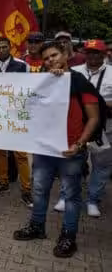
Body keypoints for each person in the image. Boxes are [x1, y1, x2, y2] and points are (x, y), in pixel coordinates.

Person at [13, 41, 99, 258]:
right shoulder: (40, 83)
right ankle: (37, 226)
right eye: (46, 58)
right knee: (39, 190)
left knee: (71, 195)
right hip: (44, 150)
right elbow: (23, 105)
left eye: (54, 55)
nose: (51, 60)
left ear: (65, 55)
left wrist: (79, 144)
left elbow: (94, 118)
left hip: (71, 151)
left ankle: (68, 236)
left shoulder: (79, 82)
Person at [53, 39, 112, 218]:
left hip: (104, 126)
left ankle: (93, 199)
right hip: (75, 125)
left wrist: (99, 104)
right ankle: (66, 195)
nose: (92, 56)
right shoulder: (73, 72)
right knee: (71, 161)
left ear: (104, 54)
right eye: (89, 53)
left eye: (97, 53)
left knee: (101, 165)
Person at [0, 37, 33, 208]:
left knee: (20, 154)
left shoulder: (22, 66)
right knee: (1, 151)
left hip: (17, 115)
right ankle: (3, 182)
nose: (1, 50)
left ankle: (27, 190)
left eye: (4, 47)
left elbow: (30, 88)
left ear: (10, 47)